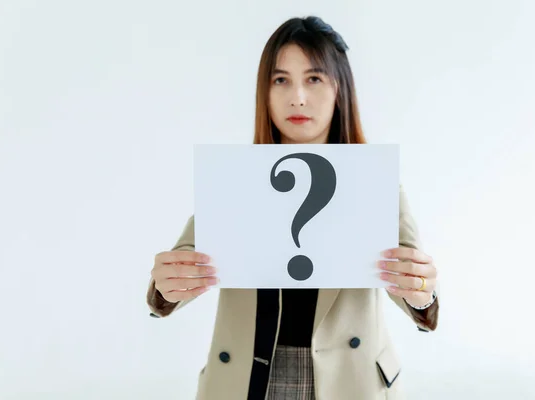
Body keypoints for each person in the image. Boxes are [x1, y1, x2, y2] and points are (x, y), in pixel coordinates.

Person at [147, 16, 439, 400]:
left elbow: (410, 280)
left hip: (348, 381)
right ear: (263, 92)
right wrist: (164, 288)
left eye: (314, 78)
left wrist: (422, 293)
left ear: (340, 89)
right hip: (248, 378)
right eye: (280, 79)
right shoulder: (238, 181)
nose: (297, 97)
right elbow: (186, 263)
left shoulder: (373, 181)